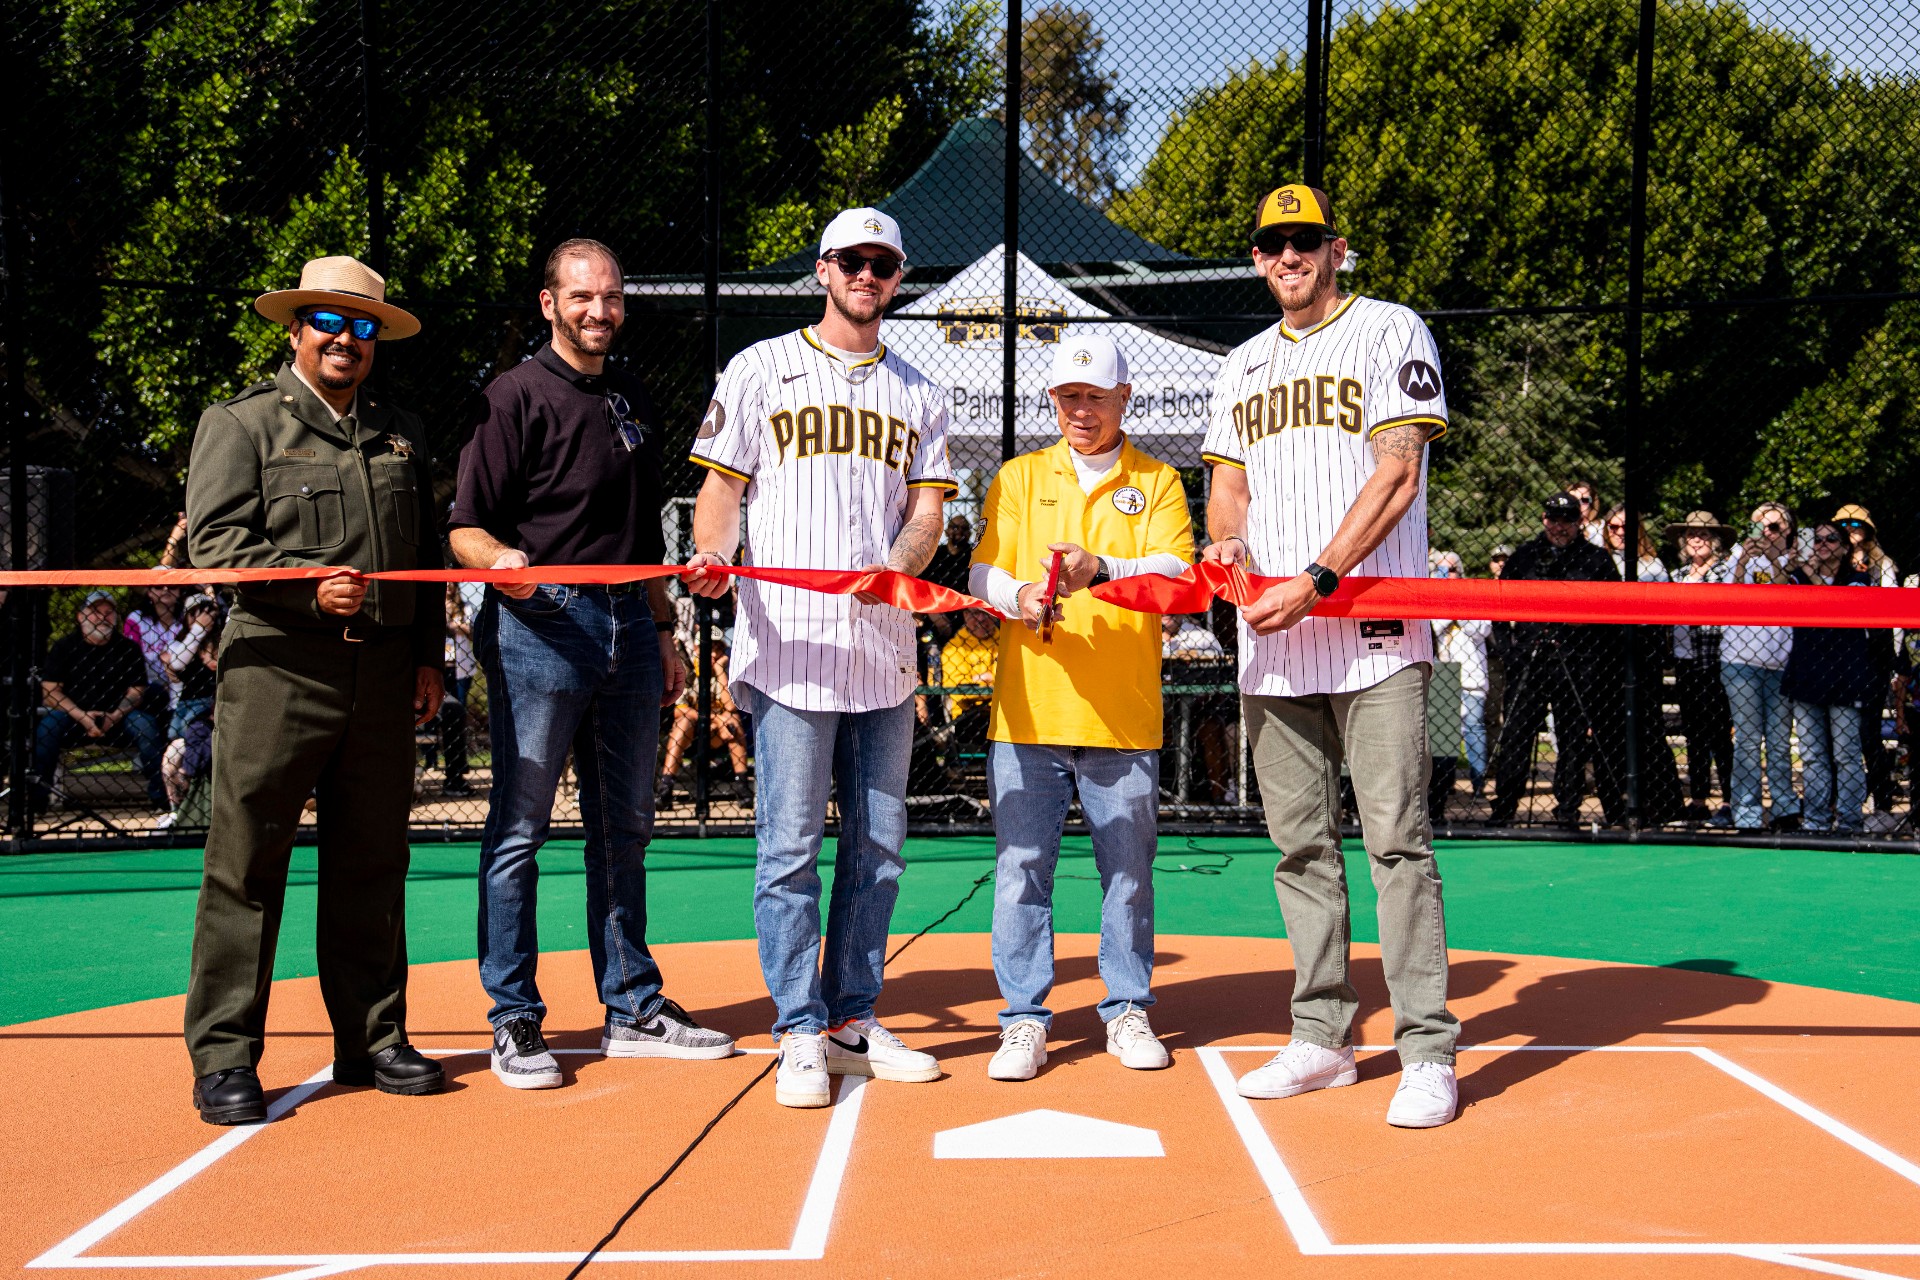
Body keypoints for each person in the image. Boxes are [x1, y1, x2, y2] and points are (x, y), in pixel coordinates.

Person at [1199, 183, 1460, 1127]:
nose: (1288, 258)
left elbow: (1398, 471)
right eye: (1272, 244)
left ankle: (1427, 1048)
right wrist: (1229, 549)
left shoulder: (1392, 330)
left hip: (1372, 631)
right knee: (1300, 845)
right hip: (1272, 642)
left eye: (1304, 241)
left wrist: (1315, 575)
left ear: (1336, 248)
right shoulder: (1239, 367)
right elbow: (1227, 489)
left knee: (1396, 840)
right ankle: (1323, 1038)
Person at [684, 207, 955, 1109]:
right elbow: (721, 488)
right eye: (852, 260)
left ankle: (849, 1018)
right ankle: (798, 1026)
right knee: (791, 846)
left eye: (883, 262)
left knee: (878, 848)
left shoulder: (919, 388)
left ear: (897, 276)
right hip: (791, 647)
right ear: (823, 269)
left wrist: (901, 565)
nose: (867, 275)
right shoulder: (761, 367)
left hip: (881, 651)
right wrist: (713, 562)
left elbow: (927, 513)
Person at [450, 238, 728, 1091]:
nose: (598, 311)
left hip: (630, 630)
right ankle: (514, 1019)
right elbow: (465, 529)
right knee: (520, 829)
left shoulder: (632, 392)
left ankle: (633, 1006)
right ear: (549, 304)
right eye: (581, 297)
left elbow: (643, 539)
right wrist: (501, 564)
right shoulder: (512, 397)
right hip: (541, 626)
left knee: (626, 828)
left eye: (610, 296)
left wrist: (665, 629)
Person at [183, 254, 447, 1124]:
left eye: (363, 325)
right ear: (295, 329)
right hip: (277, 668)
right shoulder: (244, 424)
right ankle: (225, 1057)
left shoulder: (400, 432)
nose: (346, 338)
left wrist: (426, 657)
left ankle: (372, 1038)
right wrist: (303, 583)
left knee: (371, 861)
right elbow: (215, 545)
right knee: (246, 865)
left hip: (379, 674)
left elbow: (424, 561)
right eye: (329, 322)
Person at [966, 332, 1194, 1082]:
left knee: (1128, 873)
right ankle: (1024, 1020)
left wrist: (1103, 569)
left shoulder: (1158, 481)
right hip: (1029, 711)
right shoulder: (1019, 476)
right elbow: (985, 567)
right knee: (1020, 871)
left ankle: (1127, 1008)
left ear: (1125, 399)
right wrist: (1017, 596)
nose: (1080, 411)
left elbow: (1175, 572)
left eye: (1095, 398)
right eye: (1068, 398)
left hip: (1122, 715)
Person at [1487, 493, 1626, 828]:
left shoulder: (1596, 560)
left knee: (1573, 737)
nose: (1560, 527)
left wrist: (1594, 650)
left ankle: (1568, 809)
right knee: (1517, 735)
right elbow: (1497, 606)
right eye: (1554, 519)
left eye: (1568, 520)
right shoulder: (1524, 556)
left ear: (1580, 522)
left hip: (1578, 661)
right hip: (1529, 660)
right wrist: (1510, 651)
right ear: (1544, 518)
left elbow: (1615, 614)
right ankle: (1504, 808)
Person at [1783, 523, 1892, 833]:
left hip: (1846, 676)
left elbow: (1842, 605)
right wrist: (1791, 565)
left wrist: (1811, 573)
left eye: (1831, 538)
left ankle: (1849, 820)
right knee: (1813, 754)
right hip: (1806, 674)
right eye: (1815, 539)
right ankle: (1816, 819)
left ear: (1845, 547)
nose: (1823, 544)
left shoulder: (1858, 576)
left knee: (1846, 753)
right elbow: (1773, 592)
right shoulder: (1798, 576)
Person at [35, 591, 167, 813]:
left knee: (146, 726)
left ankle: (162, 800)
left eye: (108, 612)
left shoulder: (127, 648)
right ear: (80, 616)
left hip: (118, 718)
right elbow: (50, 692)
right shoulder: (64, 646)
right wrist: (82, 716)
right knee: (47, 728)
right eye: (95, 612)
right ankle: (36, 802)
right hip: (72, 717)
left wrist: (115, 715)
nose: (102, 617)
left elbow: (137, 691)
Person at [1720, 502, 1800, 832]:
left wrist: (1769, 558)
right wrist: (1742, 561)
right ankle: (1747, 812)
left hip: (1780, 664)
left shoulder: (1796, 560)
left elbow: (1787, 594)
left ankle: (1784, 808)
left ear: (1788, 531)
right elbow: (1726, 598)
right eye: (1758, 527)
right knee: (1749, 741)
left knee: (1780, 743)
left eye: (1773, 527)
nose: (1765, 534)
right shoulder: (1738, 556)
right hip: (1740, 662)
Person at [1602, 505, 1684, 824]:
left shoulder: (1653, 566)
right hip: (1608, 655)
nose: (1620, 532)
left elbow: (1662, 617)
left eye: (1627, 527)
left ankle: (1665, 802)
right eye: (1614, 527)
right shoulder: (1601, 560)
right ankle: (1618, 804)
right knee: (1612, 730)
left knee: (1649, 727)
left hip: (1643, 653)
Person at [1832, 505, 1900, 822]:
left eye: (1856, 524)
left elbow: (1893, 616)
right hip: (1839, 659)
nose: (1850, 529)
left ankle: (1882, 800)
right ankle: (1840, 801)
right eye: (1843, 524)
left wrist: (1895, 661)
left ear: (1868, 531)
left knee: (1868, 733)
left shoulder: (1882, 566)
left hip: (1874, 657)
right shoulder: (1830, 565)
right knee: (1838, 734)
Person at [1666, 511, 1735, 823]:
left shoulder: (1725, 574)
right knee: (1694, 734)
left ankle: (1730, 801)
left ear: (1715, 542)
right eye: (1691, 534)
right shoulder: (1676, 576)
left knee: (1720, 735)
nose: (1696, 539)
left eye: (1704, 534)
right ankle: (1698, 799)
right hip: (1685, 662)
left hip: (1715, 663)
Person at [1429, 553, 1492, 797]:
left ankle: (1478, 784)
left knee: (1474, 729)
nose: (1447, 574)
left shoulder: (1474, 595)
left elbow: (1482, 628)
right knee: (1444, 734)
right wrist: (1449, 610)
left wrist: (1456, 608)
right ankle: (1446, 786)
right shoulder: (1430, 598)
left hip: (1471, 677)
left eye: (1452, 569)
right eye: (1442, 570)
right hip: (1443, 677)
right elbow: (1433, 627)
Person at [434, 582, 475, 797]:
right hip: (435, 669)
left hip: (459, 669)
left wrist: (457, 626)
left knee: (456, 716)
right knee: (439, 719)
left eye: (453, 582)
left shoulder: (466, 607)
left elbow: (474, 632)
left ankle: (456, 770)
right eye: (445, 582)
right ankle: (433, 760)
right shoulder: (431, 606)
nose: (449, 586)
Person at [124, 581, 183, 724]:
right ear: (149, 591)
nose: (165, 589)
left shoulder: (186, 617)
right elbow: (131, 658)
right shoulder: (136, 619)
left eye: (172, 586)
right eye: (158, 586)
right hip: (146, 685)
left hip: (180, 682)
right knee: (156, 694)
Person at [939, 606, 999, 746]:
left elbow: (1014, 685)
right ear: (965, 615)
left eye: (986, 612)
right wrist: (995, 683)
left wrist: (978, 680)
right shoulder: (953, 647)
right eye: (976, 613)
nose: (981, 619)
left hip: (1002, 713)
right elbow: (959, 692)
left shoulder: (1006, 642)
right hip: (968, 716)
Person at [1563, 479, 1604, 547]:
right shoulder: (1557, 526)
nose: (1578, 504)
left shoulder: (1602, 529)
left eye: (1584, 500)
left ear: (1592, 503)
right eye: (1573, 500)